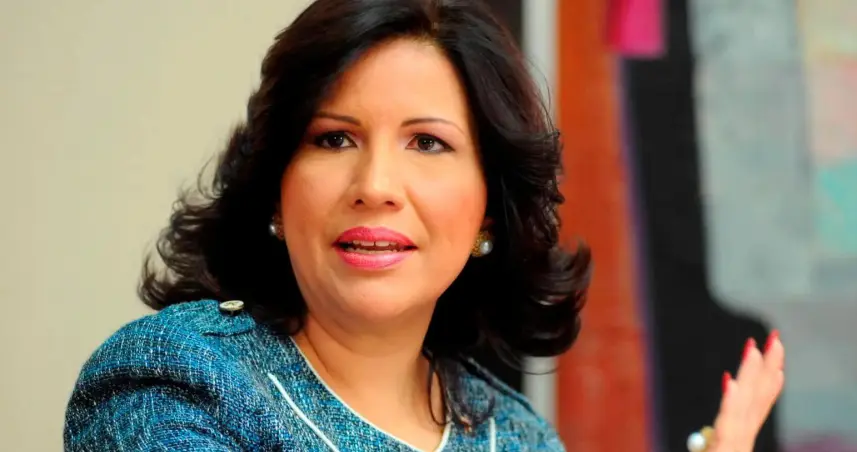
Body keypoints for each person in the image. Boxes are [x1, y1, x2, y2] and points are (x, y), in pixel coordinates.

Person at [63, 0, 785, 450]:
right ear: (275, 190)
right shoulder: (177, 378)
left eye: (428, 143)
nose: (375, 186)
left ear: (488, 210)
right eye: (333, 138)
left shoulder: (517, 438)